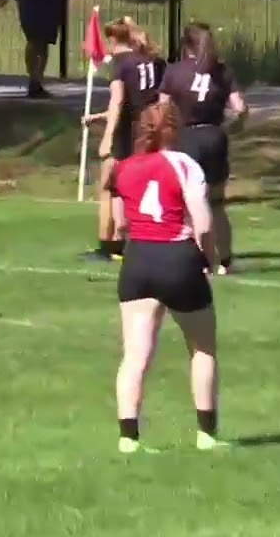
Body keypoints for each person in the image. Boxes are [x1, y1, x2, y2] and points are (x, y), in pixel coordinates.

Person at [110, 101, 225, 454]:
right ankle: (206, 436)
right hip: (178, 259)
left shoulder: (124, 167)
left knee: (135, 355)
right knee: (202, 348)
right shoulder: (185, 164)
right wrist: (211, 259)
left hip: (138, 260)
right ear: (175, 129)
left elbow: (120, 225)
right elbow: (203, 224)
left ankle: (128, 439)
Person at [159, 22, 248, 275]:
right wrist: (233, 127)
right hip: (214, 136)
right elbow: (240, 108)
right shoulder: (221, 71)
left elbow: (162, 109)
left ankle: (199, 258)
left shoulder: (175, 71)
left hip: (187, 138)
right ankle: (226, 261)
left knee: (192, 203)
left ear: (185, 45)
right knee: (217, 203)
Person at [81, 17, 167, 262]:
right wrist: (99, 117)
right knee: (142, 185)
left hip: (127, 130)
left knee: (110, 185)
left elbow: (118, 101)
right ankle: (142, 240)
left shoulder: (120, 64)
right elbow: (145, 99)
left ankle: (110, 244)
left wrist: (107, 137)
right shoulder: (153, 61)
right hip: (150, 128)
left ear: (112, 39)